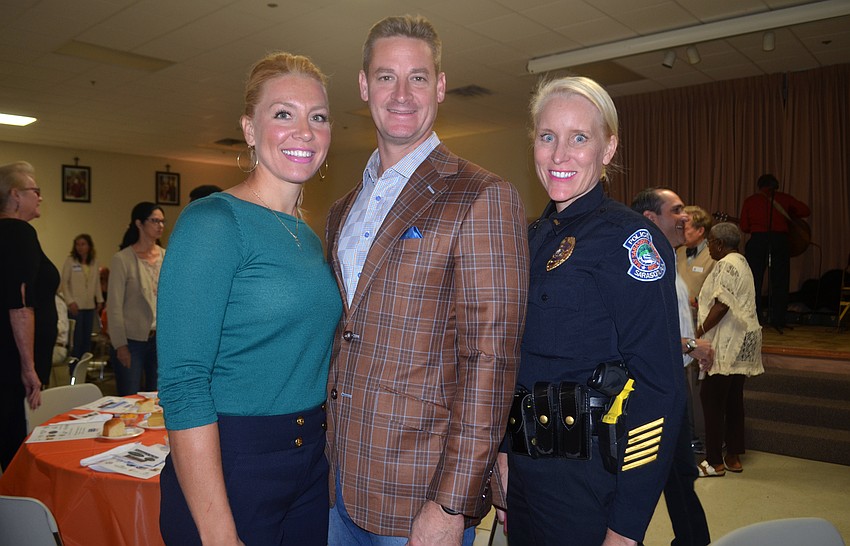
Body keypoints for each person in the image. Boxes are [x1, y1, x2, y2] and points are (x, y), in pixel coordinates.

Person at [325, 15, 529, 546]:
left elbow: (491, 360)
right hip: (336, 484)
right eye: (386, 76)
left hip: (420, 497)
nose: (401, 93)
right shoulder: (341, 209)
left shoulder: (481, 195)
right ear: (364, 85)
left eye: (417, 77)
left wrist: (451, 503)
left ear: (439, 86)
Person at [157, 52, 341, 546]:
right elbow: (183, 382)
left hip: (307, 463)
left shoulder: (307, 234)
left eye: (317, 117)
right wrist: (218, 531)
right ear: (249, 128)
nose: (304, 130)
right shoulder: (214, 222)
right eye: (283, 113)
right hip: (234, 464)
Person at [498, 77, 683, 546]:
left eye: (579, 138)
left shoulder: (630, 241)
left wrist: (627, 522)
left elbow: (661, 388)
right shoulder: (533, 237)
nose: (560, 154)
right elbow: (513, 363)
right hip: (523, 477)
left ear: (607, 148)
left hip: (589, 484)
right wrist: (502, 455)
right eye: (547, 137)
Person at [632, 187, 712, 546]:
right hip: (652, 388)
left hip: (672, 381)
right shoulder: (643, 265)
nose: (686, 217)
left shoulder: (667, 260)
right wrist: (692, 345)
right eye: (676, 210)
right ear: (651, 219)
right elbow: (643, 335)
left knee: (680, 474)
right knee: (642, 480)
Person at [0, 161, 57, 470]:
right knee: (15, 446)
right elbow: (19, 302)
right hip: (11, 364)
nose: (40, 197)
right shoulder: (18, 232)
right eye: (35, 191)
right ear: (15, 195)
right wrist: (28, 366)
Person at [696, 222, 764, 477]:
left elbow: (722, 305)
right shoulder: (741, 261)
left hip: (728, 341)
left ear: (720, 244)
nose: (709, 246)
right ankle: (733, 455)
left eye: (711, 241)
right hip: (743, 339)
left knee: (712, 399)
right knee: (733, 399)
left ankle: (714, 462)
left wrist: (698, 332)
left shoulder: (725, 264)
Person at [106, 201, 165, 395]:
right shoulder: (122, 259)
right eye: (155, 221)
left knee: (158, 397)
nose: (160, 226)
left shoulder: (167, 256)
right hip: (133, 340)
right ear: (139, 223)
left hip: (161, 338)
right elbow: (114, 306)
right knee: (130, 395)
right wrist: (120, 345)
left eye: (162, 221)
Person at [739, 173, 810, 329]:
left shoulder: (751, 201)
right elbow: (805, 210)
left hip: (758, 241)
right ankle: (778, 319)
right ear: (776, 186)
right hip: (780, 241)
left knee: (754, 281)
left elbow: (744, 227)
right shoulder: (784, 199)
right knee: (780, 281)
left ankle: (755, 319)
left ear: (759, 186)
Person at [676, 205, 715, 453]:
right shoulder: (676, 252)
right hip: (678, 324)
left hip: (703, 327)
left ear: (701, 230)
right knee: (681, 384)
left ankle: (697, 437)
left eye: (686, 225)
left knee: (694, 385)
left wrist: (698, 301)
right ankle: (686, 436)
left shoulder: (714, 256)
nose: (681, 229)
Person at [60, 234, 104, 359]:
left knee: (86, 341)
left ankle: (83, 371)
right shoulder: (70, 261)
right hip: (75, 307)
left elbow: (96, 283)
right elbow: (65, 283)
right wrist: (70, 302)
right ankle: (74, 372)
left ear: (89, 246)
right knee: (76, 341)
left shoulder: (94, 262)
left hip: (89, 306)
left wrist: (100, 300)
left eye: (83, 244)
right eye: (77, 244)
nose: (80, 247)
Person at [677, 206, 716, 310]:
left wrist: (695, 301)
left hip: (703, 320)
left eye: (685, 229)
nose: (680, 233)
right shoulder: (679, 252)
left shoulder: (714, 256)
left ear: (700, 231)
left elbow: (719, 295)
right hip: (679, 317)